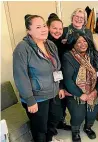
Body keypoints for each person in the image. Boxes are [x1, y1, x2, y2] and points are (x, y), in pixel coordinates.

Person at [13, 14, 64, 142]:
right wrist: (29, 99)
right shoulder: (22, 48)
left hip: (53, 93)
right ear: (29, 31)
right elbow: (20, 76)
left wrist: (60, 87)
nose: (43, 29)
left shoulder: (50, 44)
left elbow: (56, 68)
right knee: (40, 129)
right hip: (37, 97)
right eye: (38, 27)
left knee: (54, 121)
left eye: (44, 25)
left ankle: (50, 139)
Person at [62, 31, 98, 142]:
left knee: (92, 113)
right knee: (78, 115)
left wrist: (95, 91)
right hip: (75, 93)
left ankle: (88, 128)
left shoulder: (93, 55)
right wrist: (81, 94)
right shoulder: (68, 57)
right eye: (78, 42)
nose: (82, 44)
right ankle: (75, 131)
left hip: (92, 92)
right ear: (73, 44)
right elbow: (67, 80)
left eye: (84, 41)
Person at [46, 13, 71, 131]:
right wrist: (60, 86)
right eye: (54, 28)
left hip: (63, 78)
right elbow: (55, 68)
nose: (57, 31)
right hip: (52, 81)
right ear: (48, 28)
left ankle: (61, 122)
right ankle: (52, 126)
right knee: (54, 105)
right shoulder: (45, 44)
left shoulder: (62, 43)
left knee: (63, 103)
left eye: (60, 28)